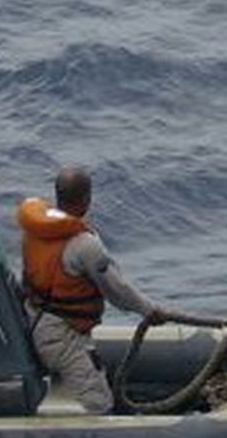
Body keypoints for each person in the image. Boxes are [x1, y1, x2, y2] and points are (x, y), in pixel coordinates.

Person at [18, 166, 173, 414]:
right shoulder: (84, 245)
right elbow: (117, 290)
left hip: (36, 321)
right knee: (98, 401)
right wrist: (149, 311)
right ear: (87, 200)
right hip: (62, 337)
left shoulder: (33, 231)